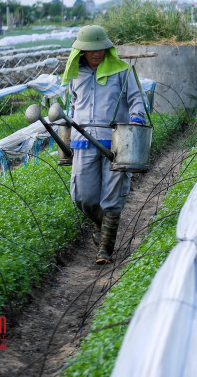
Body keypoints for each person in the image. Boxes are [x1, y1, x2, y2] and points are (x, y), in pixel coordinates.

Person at [62, 25, 146, 264]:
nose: (96, 53)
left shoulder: (123, 72)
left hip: (115, 141)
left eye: (100, 49)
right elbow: (73, 106)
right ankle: (102, 226)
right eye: (90, 50)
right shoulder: (75, 75)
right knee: (82, 196)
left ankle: (105, 248)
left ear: (107, 49)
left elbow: (136, 99)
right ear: (81, 52)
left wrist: (136, 119)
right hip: (82, 141)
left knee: (112, 195)